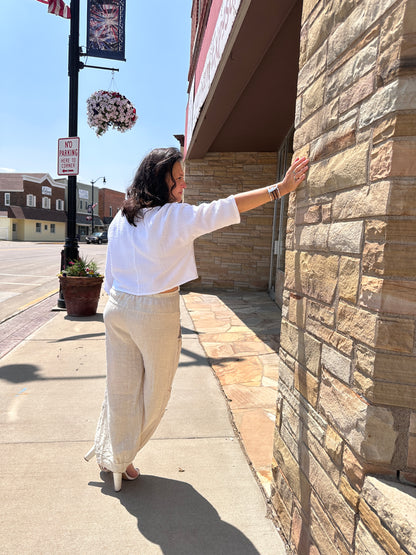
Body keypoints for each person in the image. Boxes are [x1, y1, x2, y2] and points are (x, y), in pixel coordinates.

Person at [84, 147, 309, 491]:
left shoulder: (121, 218)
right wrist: (279, 188)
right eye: (179, 177)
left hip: (117, 308)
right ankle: (119, 455)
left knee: (120, 388)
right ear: (161, 179)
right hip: (154, 311)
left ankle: (111, 453)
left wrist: (114, 306)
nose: (184, 185)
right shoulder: (173, 217)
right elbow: (225, 208)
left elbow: (111, 274)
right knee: (155, 393)